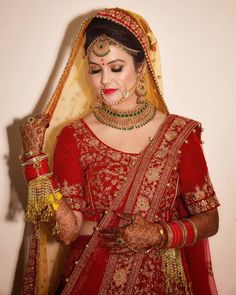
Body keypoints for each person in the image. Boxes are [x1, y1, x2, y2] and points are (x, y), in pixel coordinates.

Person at [20, 7, 220, 295]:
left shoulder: (180, 135)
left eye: (116, 68)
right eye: (95, 70)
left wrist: (160, 234)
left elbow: (209, 220)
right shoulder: (74, 137)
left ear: (140, 67)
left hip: (161, 281)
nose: (105, 81)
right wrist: (35, 163)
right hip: (90, 276)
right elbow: (67, 232)